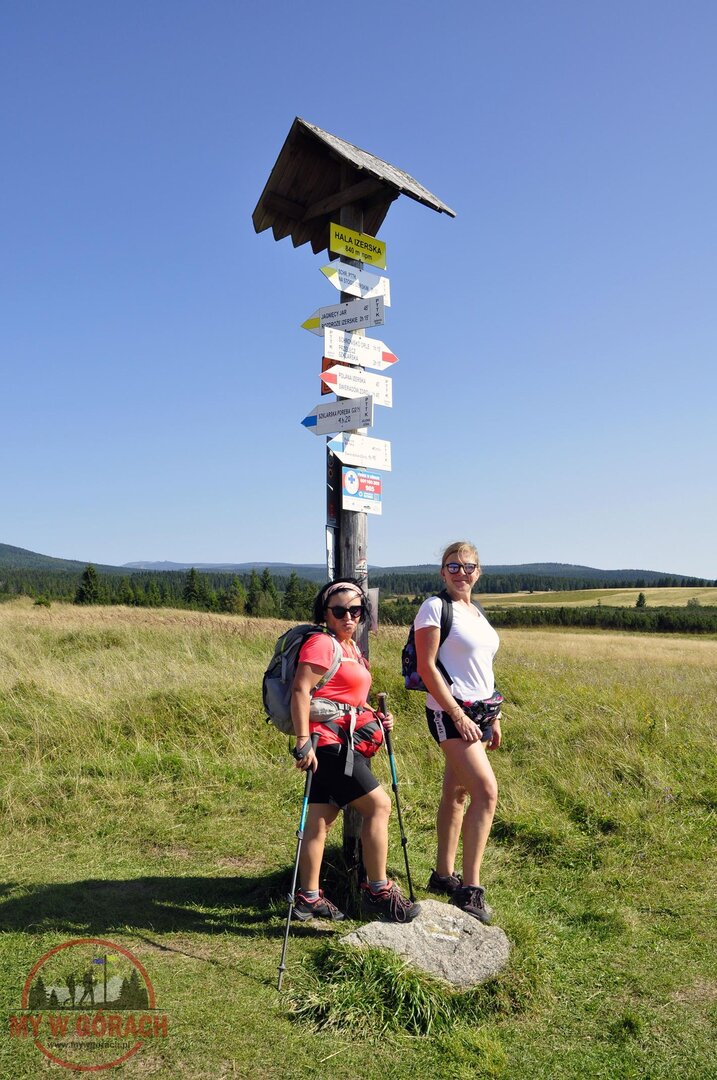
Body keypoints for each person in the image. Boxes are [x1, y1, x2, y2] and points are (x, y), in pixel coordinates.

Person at [290, 579, 420, 924]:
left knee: (320, 819)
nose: (348, 617)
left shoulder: (350, 647)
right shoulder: (322, 644)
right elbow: (301, 691)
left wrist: (375, 717)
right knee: (379, 806)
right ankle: (378, 892)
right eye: (339, 610)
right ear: (325, 613)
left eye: (356, 610)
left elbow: (348, 698)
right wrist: (302, 741)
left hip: (343, 741)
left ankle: (309, 897)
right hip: (329, 745)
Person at [414, 541, 501, 924]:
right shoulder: (435, 607)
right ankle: (470, 889)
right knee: (486, 792)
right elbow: (426, 666)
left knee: (458, 793)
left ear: (478, 572)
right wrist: (457, 714)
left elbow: (482, 668)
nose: (461, 572)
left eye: (468, 566)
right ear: (442, 572)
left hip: (480, 713)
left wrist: (494, 716)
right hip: (450, 713)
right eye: (453, 566)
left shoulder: (476, 612)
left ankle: (443, 875)